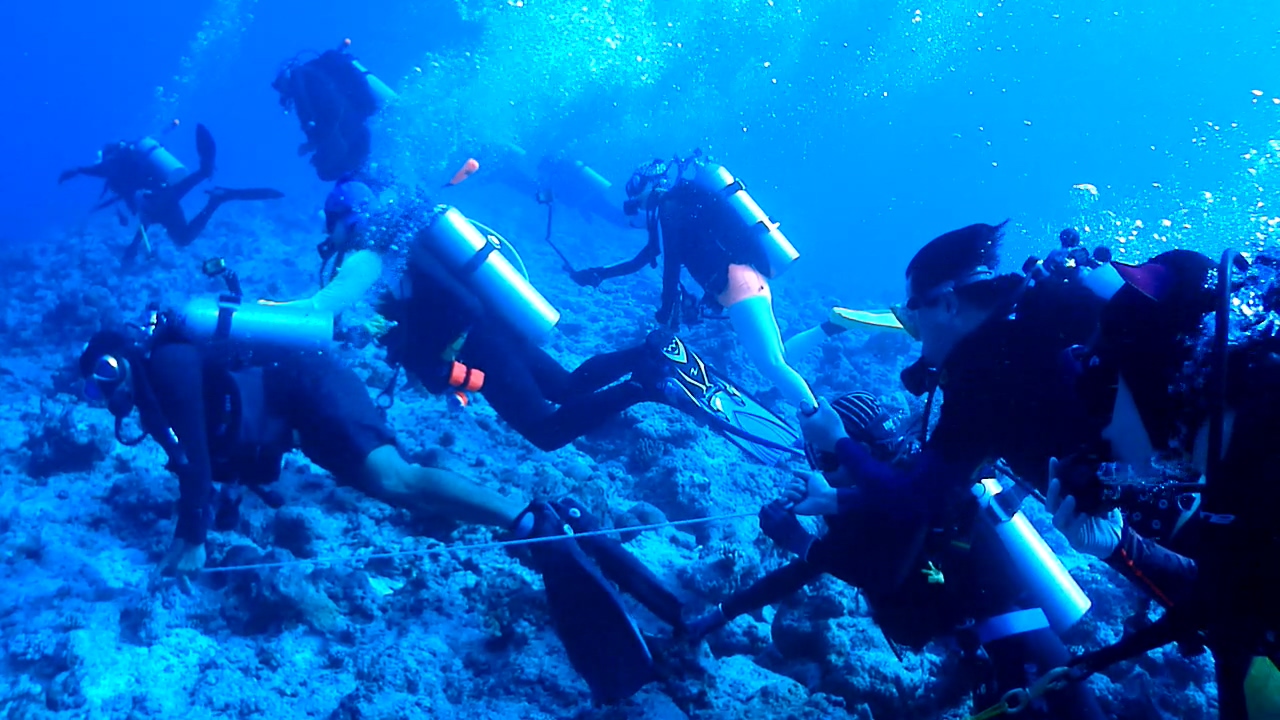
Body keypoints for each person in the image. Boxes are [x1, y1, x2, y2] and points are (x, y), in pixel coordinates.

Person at [78, 309, 681, 704]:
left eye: (102, 378)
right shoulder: (156, 392)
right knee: (398, 487)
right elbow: (216, 454)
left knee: (400, 484)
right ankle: (541, 517)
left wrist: (193, 535)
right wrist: (221, 507)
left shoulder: (168, 363)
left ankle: (531, 520)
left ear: (122, 358)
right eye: (91, 389)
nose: (103, 395)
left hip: (310, 389)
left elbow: (196, 467)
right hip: (295, 408)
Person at [691, 391, 1107, 720]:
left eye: (823, 462)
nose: (819, 475)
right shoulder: (903, 490)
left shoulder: (903, 507)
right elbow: (804, 571)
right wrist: (719, 614)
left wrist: (799, 538)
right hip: (999, 648)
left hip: (1021, 656)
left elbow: (884, 574)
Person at [1037, 247, 1280, 718]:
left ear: (1160, 388)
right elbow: (1232, 596)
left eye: (1106, 406)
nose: (1104, 434)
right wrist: (1117, 545)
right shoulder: (1244, 471)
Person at [273, 179, 672, 452]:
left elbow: (319, 308)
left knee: (546, 431)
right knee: (567, 387)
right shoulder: (404, 244)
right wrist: (375, 332)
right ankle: (646, 354)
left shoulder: (368, 255)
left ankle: (645, 385)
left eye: (330, 222)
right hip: (496, 325)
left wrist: (266, 313)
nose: (328, 233)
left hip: (479, 346)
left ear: (346, 219)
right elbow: (415, 306)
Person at [567, 151, 819, 412]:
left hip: (741, 292)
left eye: (635, 185)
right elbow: (645, 257)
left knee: (773, 366)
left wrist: (666, 315)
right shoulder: (673, 208)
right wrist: (598, 273)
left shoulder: (669, 208)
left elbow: (671, 266)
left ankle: (820, 426)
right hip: (748, 284)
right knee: (778, 360)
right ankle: (831, 326)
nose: (632, 194)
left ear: (652, 183)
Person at [58, 124, 283, 256]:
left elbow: (101, 171)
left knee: (179, 229)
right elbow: (143, 214)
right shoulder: (128, 162)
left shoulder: (113, 164)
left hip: (156, 202)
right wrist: (134, 246)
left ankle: (211, 188)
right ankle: (214, 192)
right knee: (183, 232)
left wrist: (77, 170)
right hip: (164, 196)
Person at [273, 41, 394, 182]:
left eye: (279, 85)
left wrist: (320, 142)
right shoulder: (312, 79)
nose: (282, 93)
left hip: (349, 134)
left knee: (329, 171)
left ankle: (385, 183)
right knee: (358, 171)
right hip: (356, 131)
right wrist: (314, 144)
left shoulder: (300, 79)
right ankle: (390, 184)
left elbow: (332, 109)